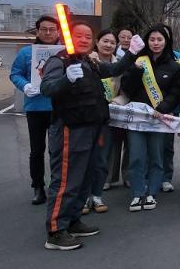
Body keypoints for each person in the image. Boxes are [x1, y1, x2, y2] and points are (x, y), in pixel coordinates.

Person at [40, 22, 144, 250]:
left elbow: (113, 70)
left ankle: (73, 220)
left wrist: (132, 53)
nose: (85, 40)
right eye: (80, 35)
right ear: (69, 37)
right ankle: (56, 231)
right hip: (70, 130)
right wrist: (66, 79)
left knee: (84, 178)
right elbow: (47, 88)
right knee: (66, 180)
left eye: (88, 36)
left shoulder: (89, 61)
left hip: (92, 128)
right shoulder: (59, 61)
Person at [120, 25, 180, 212]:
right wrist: (136, 71)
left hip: (158, 118)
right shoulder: (137, 61)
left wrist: (162, 108)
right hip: (137, 118)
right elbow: (126, 88)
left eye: (160, 39)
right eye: (152, 39)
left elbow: (176, 92)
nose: (156, 43)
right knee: (136, 157)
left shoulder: (174, 66)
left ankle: (151, 193)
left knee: (156, 157)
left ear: (166, 42)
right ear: (147, 41)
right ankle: (138, 193)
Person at [9, 15, 59, 205]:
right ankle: (38, 186)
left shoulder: (64, 52)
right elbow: (15, 74)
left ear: (58, 32)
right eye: (44, 29)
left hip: (58, 107)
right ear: (37, 32)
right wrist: (25, 86)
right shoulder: (26, 52)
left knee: (57, 150)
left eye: (52, 29)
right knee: (37, 150)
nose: (48, 32)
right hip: (36, 107)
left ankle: (56, 184)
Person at [81, 30, 121, 215]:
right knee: (83, 159)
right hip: (85, 118)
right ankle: (82, 197)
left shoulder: (119, 65)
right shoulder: (85, 61)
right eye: (105, 41)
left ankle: (97, 195)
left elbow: (124, 90)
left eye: (112, 42)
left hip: (108, 117)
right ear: (97, 42)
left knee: (102, 158)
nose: (108, 45)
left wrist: (117, 102)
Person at [107, 27, 135, 189]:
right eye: (122, 36)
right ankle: (109, 177)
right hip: (111, 104)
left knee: (130, 143)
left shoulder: (137, 56)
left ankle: (128, 176)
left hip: (130, 102)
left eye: (129, 37)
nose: (126, 39)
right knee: (114, 143)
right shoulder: (110, 57)